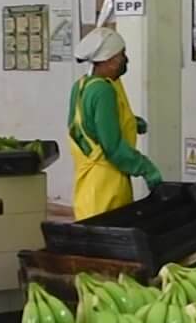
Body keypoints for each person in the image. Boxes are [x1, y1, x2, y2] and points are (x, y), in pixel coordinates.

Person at [67, 26, 162, 220]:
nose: (125, 60)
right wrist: (144, 167)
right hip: (106, 184)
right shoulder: (103, 91)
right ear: (109, 61)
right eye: (122, 55)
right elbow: (113, 147)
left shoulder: (82, 85)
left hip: (88, 183)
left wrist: (129, 122)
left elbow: (83, 126)